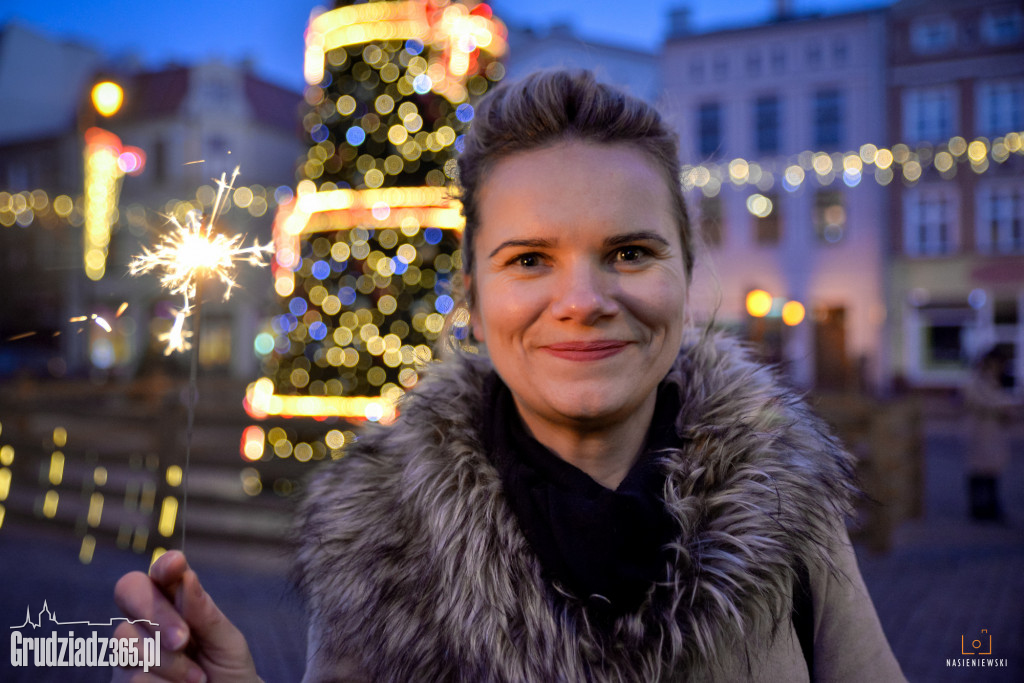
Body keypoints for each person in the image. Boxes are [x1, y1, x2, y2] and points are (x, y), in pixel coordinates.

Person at [113, 70, 905, 682]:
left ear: (687, 274)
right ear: (472, 296)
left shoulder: (789, 502)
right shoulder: (378, 542)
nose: (584, 301)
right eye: (529, 259)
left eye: (631, 252)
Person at [964, 347, 1019, 522]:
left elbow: (1003, 402)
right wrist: (1000, 409)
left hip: (993, 432)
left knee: (992, 471)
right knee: (979, 470)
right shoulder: (977, 380)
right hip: (980, 431)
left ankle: (990, 506)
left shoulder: (995, 380)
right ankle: (979, 508)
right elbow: (979, 401)